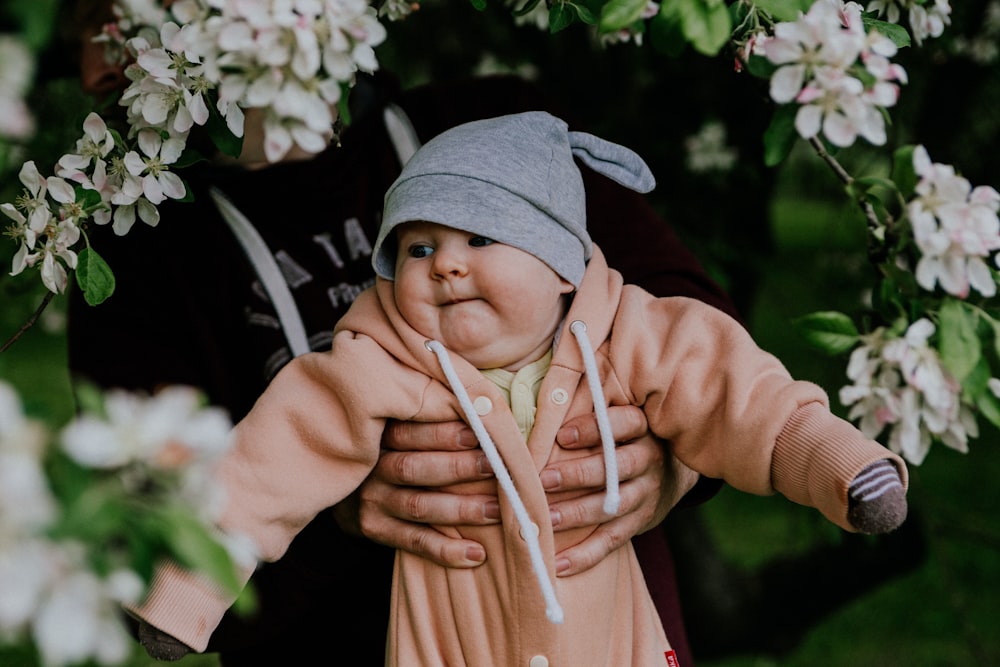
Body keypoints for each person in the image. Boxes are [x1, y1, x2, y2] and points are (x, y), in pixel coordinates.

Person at [59, 1, 741, 664]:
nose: (95, 68)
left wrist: (670, 459)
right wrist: (335, 502)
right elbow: (151, 541)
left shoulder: (497, 130)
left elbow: (703, 339)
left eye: (112, 24)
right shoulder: (130, 254)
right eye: (89, 31)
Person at [131, 111, 908, 666]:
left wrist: (838, 463)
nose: (444, 263)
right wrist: (180, 590)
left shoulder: (632, 334)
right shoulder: (372, 364)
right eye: (419, 245)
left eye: (480, 236)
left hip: (614, 644)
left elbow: (749, 401)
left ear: (563, 265)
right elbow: (261, 474)